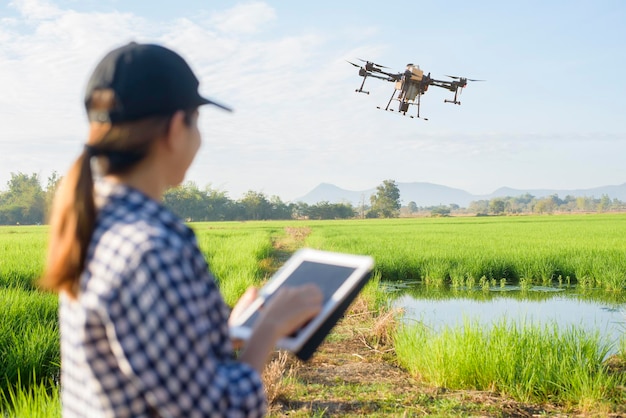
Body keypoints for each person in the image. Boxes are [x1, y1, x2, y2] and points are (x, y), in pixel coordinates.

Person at [40, 42, 323, 417]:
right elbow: (218, 411)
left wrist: (226, 332)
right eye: (197, 122)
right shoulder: (152, 251)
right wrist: (267, 329)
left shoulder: (96, 224)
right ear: (176, 128)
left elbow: (155, 373)